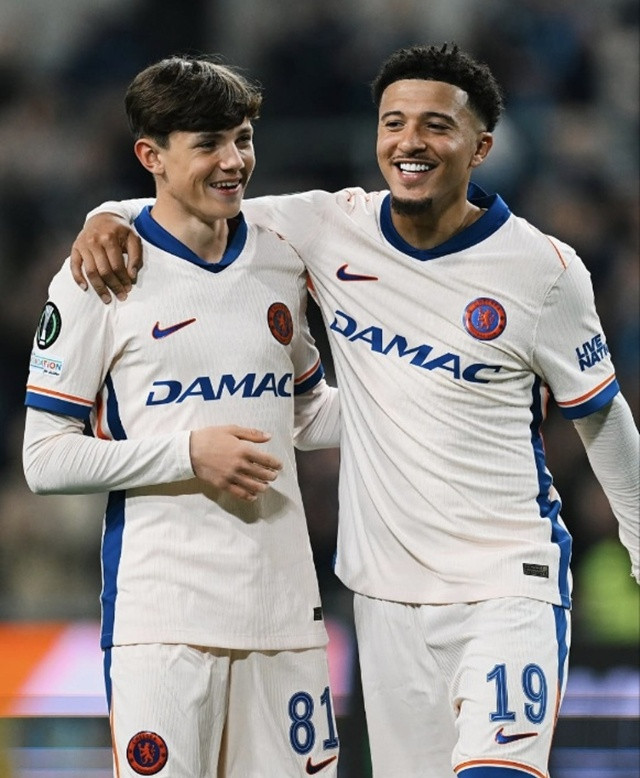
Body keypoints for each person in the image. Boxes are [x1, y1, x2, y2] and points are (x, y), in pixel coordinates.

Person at [69, 43, 640, 778]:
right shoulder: (330, 227)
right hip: (383, 595)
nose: (410, 141)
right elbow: (189, 203)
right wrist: (108, 213)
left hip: (507, 580)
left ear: (481, 148)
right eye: (393, 122)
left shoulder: (543, 270)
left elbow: (603, 419)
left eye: (437, 125)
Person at [23, 55, 342, 777]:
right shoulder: (100, 275)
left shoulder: (280, 261)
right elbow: (44, 458)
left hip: (285, 615)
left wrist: (433, 403)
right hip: (162, 623)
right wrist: (189, 454)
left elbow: (303, 414)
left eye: (243, 139)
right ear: (152, 157)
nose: (234, 161)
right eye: (208, 144)